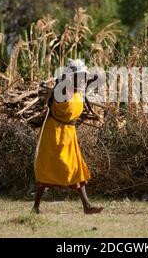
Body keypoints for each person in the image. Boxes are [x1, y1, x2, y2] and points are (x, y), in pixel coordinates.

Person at [33, 59, 103, 214]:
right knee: (48, 169)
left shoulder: (78, 91)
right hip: (54, 134)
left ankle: (87, 206)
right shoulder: (63, 91)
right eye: (79, 76)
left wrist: (92, 76)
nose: (82, 79)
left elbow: (96, 80)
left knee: (77, 168)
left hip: (69, 134)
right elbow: (61, 84)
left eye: (83, 76)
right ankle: (36, 207)